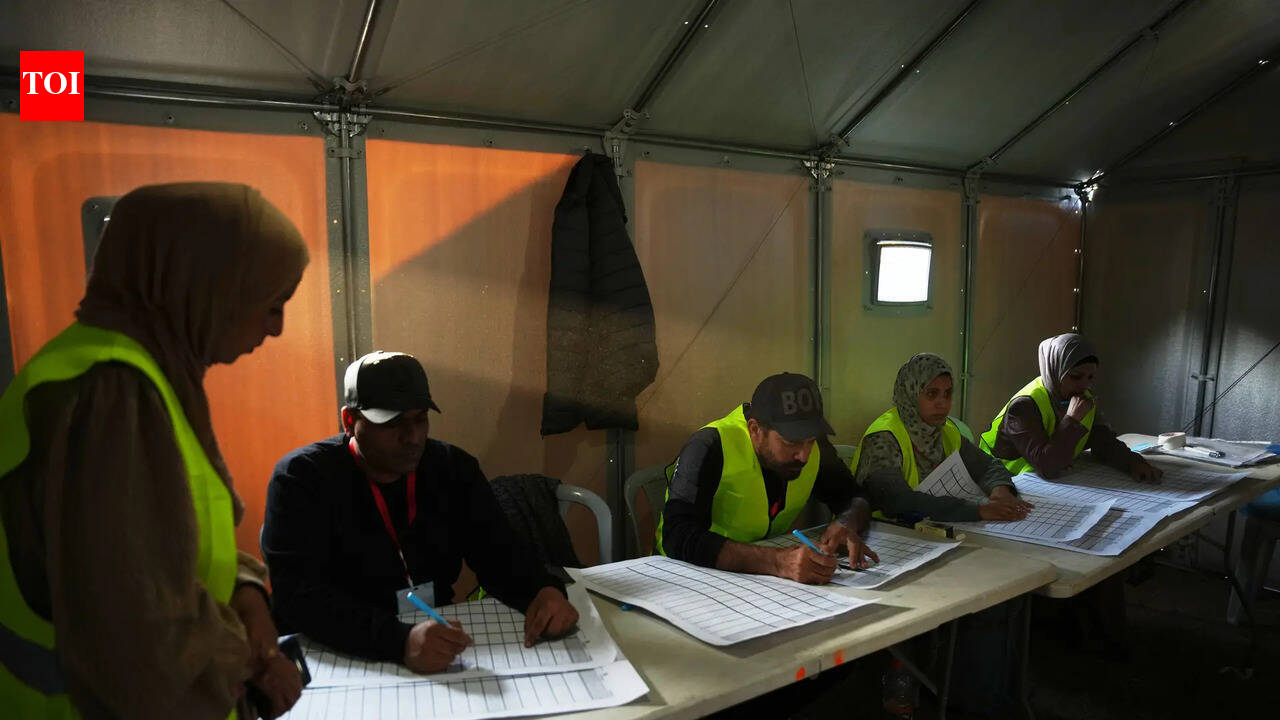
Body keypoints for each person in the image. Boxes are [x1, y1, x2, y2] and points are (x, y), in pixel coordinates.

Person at [0, 183, 307, 719]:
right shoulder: (110, 394)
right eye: (271, 302)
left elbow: (165, 551)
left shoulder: (140, 375)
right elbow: (139, 623)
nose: (277, 327)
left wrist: (247, 591)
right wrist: (255, 661)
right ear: (205, 286)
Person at [263, 351, 579, 674]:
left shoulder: (453, 468)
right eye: (393, 423)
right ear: (349, 421)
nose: (413, 438)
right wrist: (398, 641)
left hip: (432, 642)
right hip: (340, 654)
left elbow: (497, 553)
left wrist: (542, 590)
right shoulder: (301, 479)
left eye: (420, 419)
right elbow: (298, 597)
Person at [656, 372, 877, 585]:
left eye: (810, 440)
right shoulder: (709, 445)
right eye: (791, 442)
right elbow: (677, 534)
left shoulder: (814, 448)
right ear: (755, 429)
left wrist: (846, 522)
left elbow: (854, 496)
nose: (804, 455)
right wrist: (777, 562)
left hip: (760, 582)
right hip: (683, 576)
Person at [852, 353, 1033, 522]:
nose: (942, 403)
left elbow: (987, 466)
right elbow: (897, 501)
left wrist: (1000, 490)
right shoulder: (884, 438)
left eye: (947, 393)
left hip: (925, 528)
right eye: (932, 394)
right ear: (911, 394)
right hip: (880, 534)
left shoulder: (943, 430)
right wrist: (977, 510)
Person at [980, 333, 1162, 482]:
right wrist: (1072, 420)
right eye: (1075, 377)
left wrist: (1133, 463)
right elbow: (1047, 466)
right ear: (1055, 370)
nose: (1084, 385)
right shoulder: (1023, 407)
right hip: (1002, 481)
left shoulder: (1082, 399)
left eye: (1090, 377)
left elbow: (1103, 443)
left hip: (1042, 483)